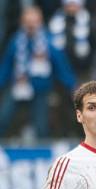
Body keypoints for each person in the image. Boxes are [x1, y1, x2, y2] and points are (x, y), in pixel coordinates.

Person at [0, 5, 76, 139]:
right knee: (4, 117)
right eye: (27, 22)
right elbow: (6, 65)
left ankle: (42, 154)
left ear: (40, 22)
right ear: (22, 22)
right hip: (18, 85)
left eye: (33, 22)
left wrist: (72, 85)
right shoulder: (16, 40)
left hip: (40, 89)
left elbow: (61, 66)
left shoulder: (48, 41)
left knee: (41, 124)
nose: (31, 26)